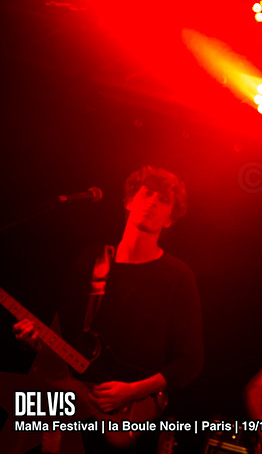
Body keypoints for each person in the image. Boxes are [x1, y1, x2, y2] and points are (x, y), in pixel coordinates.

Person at [13, 166, 204, 453]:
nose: (152, 202)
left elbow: (190, 361)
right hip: (76, 406)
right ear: (128, 202)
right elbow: (65, 338)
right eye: (147, 194)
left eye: (163, 200)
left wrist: (131, 391)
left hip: (133, 415)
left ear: (170, 219)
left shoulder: (179, 276)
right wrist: (37, 343)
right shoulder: (91, 259)